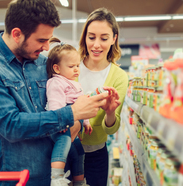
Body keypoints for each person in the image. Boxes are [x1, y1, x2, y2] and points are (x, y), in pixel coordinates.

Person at [0, 1, 109, 186]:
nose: (47, 47)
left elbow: (63, 103)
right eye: (41, 40)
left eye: (49, 39)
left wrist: (83, 112)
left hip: (60, 177)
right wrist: (72, 113)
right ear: (17, 34)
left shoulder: (44, 64)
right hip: (21, 180)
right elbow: (11, 125)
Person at [78, 7, 128, 186]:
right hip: (64, 150)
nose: (96, 45)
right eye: (91, 37)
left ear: (114, 39)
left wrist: (109, 113)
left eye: (104, 38)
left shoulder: (119, 77)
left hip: (96, 155)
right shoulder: (69, 64)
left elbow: (111, 130)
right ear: (85, 37)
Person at [46, 37, 92, 186]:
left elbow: (81, 105)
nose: (76, 69)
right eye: (72, 66)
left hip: (73, 123)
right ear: (57, 68)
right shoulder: (56, 82)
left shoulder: (74, 84)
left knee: (79, 151)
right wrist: (60, 122)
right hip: (61, 125)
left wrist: (86, 122)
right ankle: (57, 178)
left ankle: (79, 181)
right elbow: (55, 104)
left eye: (77, 65)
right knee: (63, 144)